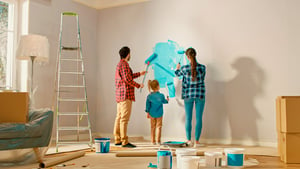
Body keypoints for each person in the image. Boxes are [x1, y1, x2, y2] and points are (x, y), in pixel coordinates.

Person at [114, 46, 146, 148]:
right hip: (125, 95)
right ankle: (124, 141)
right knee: (124, 119)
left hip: (120, 95)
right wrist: (138, 85)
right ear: (128, 54)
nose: (130, 55)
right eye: (130, 53)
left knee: (119, 117)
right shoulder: (124, 65)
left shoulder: (121, 65)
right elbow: (128, 79)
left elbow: (128, 76)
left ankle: (117, 139)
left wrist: (139, 74)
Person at [175, 47, 206, 147]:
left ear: (187, 57)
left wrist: (177, 68)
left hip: (188, 95)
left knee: (188, 118)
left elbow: (177, 74)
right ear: (195, 55)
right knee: (199, 118)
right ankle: (197, 142)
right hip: (200, 95)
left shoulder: (184, 68)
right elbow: (202, 78)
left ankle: (188, 140)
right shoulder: (203, 68)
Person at [145, 80, 169, 145]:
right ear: (158, 86)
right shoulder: (161, 95)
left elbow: (147, 105)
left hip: (151, 113)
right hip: (159, 113)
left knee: (152, 127)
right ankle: (158, 141)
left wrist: (147, 112)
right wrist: (167, 100)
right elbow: (164, 101)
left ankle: (153, 141)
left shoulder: (149, 96)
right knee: (159, 127)